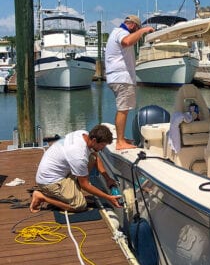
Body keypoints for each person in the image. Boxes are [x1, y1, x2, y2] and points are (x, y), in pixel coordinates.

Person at [30, 124, 121, 213]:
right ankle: (41, 197)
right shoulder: (79, 155)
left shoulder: (83, 134)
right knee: (79, 206)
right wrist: (108, 197)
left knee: (92, 157)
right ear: (94, 140)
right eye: (102, 145)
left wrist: (108, 179)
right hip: (50, 182)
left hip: (56, 171)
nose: (102, 149)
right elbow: (84, 185)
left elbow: (96, 157)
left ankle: (72, 192)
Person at [105, 15, 154, 150]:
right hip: (121, 78)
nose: (136, 33)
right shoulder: (122, 32)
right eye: (136, 29)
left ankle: (121, 139)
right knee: (123, 109)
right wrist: (143, 31)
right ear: (133, 25)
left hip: (117, 78)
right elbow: (126, 41)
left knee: (123, 109)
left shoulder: (115, 32)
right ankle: (120, 142)